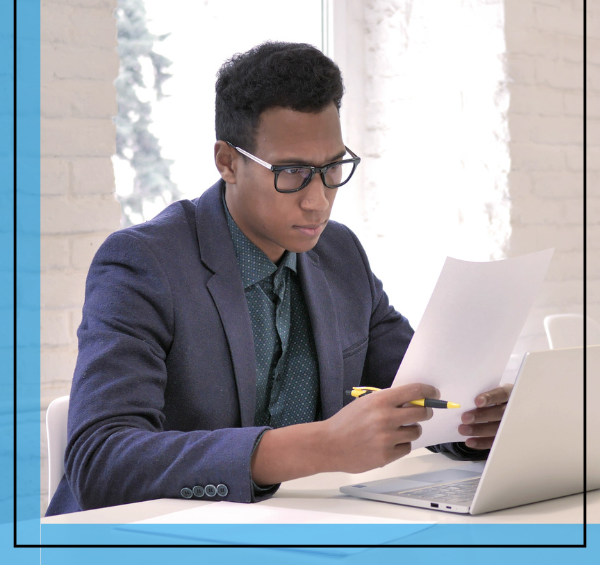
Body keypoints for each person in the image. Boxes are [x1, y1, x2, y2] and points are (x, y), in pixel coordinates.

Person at [46, 41, 511, 516]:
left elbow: (422, 395)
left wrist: (480, 426)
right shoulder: (143, 264)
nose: (318, 200)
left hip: (294, 532)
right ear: (227, 161)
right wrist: (319, 447)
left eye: (332, 168)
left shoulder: (340, 253)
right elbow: (101, 461)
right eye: (292, 172)